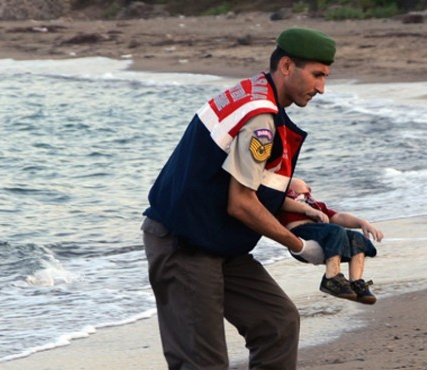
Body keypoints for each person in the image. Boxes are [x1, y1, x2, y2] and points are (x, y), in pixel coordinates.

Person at [140, 27, 336, 370]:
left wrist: (297, 207)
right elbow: (241, 202)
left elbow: (242, 182)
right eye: (317, 75)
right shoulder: (260, 118)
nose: (322, 88)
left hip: (217, 241)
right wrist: (299, 246)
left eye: (325, 76)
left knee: (278, 324)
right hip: (183, 243)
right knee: (202, 363)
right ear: (287, 66)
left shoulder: (257, 92)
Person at [279, 178, 384, 305]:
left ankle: (356, 283)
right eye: (305, 186)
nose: (309, 188)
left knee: (357, 238)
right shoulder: (285, 199)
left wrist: (362, 223)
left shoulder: (316, 205)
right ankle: (331, 278)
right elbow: (281, 201)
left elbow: (338, 217)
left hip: (323, 236)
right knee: (336, 231)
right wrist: (307, 210)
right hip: (301, 233)